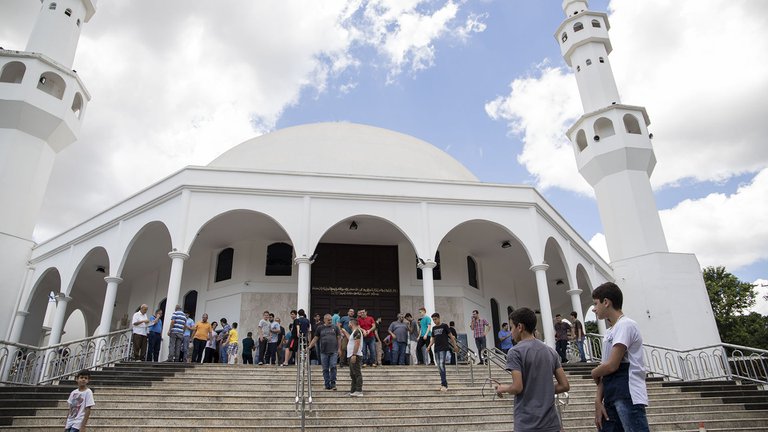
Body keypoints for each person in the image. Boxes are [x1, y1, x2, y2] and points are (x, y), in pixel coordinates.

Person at [493, 307, 570, 432]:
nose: (511, 332)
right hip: (551, 423)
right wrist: (543, 390)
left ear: (520, 327)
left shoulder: (515, 352)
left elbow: (517, 387)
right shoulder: (551, 351)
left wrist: (502, 388)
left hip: (527, 424)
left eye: (512, 327)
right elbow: (565, 385)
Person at [590, 282, 649, 432]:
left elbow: (611, 365)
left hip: (627, 393)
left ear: (606, 302)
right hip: (611, 395)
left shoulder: (626, 325)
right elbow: (605, 369)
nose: (594, 309)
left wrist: (594, 372)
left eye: (596, 304)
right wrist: (598, 400)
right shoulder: (610, 332)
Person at [308, 313, 341, 390]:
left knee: (333, 366)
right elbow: (315, 338)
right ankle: (327, 384)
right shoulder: (320, 328)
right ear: (324, 320)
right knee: (325, 368)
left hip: (334, 351)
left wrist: (339, 349)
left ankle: (333, 383)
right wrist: (309, 347)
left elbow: (339, 338)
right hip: (323, 352)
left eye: (331, 320)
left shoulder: (335, 327)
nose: (330, 321)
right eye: (328, 320)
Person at [427, 313, 456, 391]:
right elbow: (433, 339)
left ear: (439, 318)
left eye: (435, 319)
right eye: (433, 320)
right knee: (439, 367)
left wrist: (455, 346)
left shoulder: (444, 326)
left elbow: (451, 336)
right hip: (436, 348)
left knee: (441, 364)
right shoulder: (433, 328)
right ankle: (443, 383)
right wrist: (429, 346)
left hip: (444, 348)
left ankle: (444, 385)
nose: (434, 321)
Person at [341, 318, 364, 397]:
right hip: (351, 355)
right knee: (352, 374)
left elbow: (357, 343)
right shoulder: (354, 332)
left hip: (355, 355)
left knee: (357, 373)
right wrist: (344, 331)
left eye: (349, 323)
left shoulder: (357, 331)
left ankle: (358, 390)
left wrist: (354, 354)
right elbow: (350, 338)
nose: (348, 324)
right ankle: (353, 390)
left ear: (351, 323)